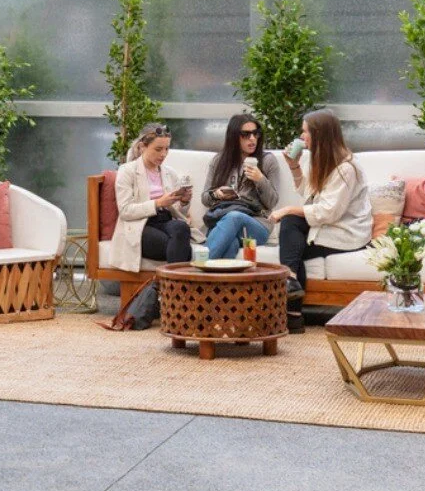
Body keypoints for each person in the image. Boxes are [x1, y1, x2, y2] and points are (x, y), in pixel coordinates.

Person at [269, 109, 372, 332]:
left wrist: (287, 209)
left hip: (346, 232)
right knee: (291, 232)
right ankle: (291, 285)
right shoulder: (322, 159)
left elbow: (328, 212)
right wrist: (294, 165)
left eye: (305, 131)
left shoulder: (347, 168)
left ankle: (293, 313)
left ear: (320, 134)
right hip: (328, 224)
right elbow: (309, 194)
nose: (301, 136)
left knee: (291, 237)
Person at [109, 122, 193, 272]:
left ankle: (167, 285)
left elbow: (179, 213)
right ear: (143, 147)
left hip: (165, 220)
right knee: (180, 246)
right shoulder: (127, 171)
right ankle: (174, 284)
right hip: (141, 224)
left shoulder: (170, 173)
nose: (163, 154)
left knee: (181, 228)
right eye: (158, 149)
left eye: (167, 149)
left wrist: (184, 202)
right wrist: (157, 203)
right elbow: (125, 211)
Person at [202, 114, 279, 260]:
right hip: (223, 220)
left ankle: (196, 268)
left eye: (255, 133)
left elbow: (272, 202)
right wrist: (217, 194)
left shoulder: (268, 161)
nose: (252, 138)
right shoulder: (219, 161)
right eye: (246, 134)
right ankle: (218, 276)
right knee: (230, 244)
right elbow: (205, 198)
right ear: (234, 137)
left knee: (234, 217)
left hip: (257, 224)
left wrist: (260, 179)